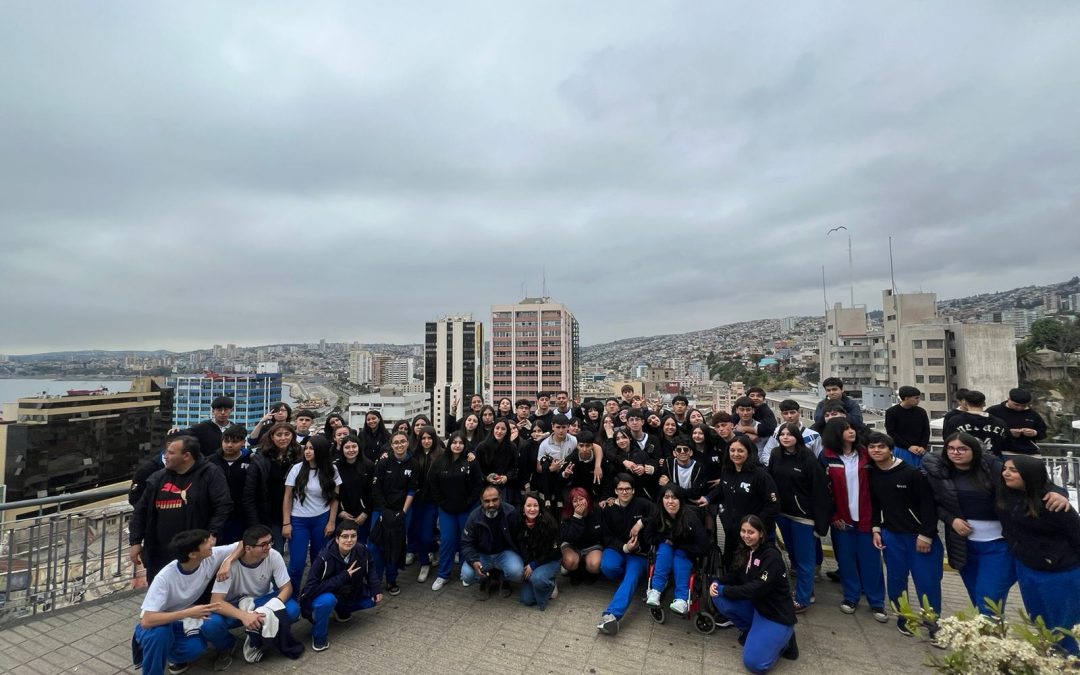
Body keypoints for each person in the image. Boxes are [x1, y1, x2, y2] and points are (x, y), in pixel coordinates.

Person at [923, 432, 1072, 617]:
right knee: (978, 600)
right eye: (951, 449)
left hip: (1000, 546)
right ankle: (991, 641)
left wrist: (1059, 493)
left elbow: (1034, 481)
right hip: (963, 546)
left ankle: (989, 638)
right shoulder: (938, 472)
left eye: (962, 449)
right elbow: (931, 504)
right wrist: (951, 519)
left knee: (988, 601)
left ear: (974, 450)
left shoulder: (993, 467)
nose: (956, 453)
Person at [998, 455, 1080, 655]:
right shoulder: (1008, 494)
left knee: (1062, 625)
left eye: (1013, 470)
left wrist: (1060, 494)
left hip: (1058, 572)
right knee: (1038, 617)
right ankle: (1050, 656)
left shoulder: (1054, 504)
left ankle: (1069, 661)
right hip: (1027, 567)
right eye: (1005, 468)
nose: (1006, 473)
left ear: (1029, 475)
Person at [131, 530, 241, 675]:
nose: (211, 543)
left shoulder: (210, 556)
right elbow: (147, 620)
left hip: (186, 615)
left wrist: (227, 561)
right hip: (159, 620)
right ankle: (153, 658)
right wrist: (188, 612)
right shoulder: (165, 578)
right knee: (159, 634)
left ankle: (173, 652)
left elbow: (242, 543)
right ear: (192, 554)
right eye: (206, 542)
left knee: (197, 645)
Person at [865, 432, 941, 634]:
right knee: (896, 580)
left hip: (918, 536)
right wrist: (875, 529)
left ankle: (932, 621)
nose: (876, 450)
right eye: (872, 447)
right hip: (891, 534)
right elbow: (874, 504)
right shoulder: (872, 473)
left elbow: (928, 506)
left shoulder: (912, 473)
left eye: (881, 447)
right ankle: (904, 617)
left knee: (927, 581)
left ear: (891, 449)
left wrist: (926, 534)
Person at [129, 435, 232, 582]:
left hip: (195, 553)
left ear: (186, 456)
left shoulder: (210, 474)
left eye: (171, 453)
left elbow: (223, 506)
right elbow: (141, 510)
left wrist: (212, 534)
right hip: (160, 554)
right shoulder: (158, 478)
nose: (165, 456)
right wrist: (135, 541)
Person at [202, 525, 304, 666]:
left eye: (270, 542)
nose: (268, 547)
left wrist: (269, 608)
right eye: (263, 545)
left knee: (292, 609)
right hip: (234, 606)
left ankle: (264, 638)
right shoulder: (229, 564)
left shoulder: (273, 555)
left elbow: (287, 588)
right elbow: (216, 601)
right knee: (209, 624)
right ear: (248, 548)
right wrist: (243, 615)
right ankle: (227, 645)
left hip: (261, 601)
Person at [710, 515, 799, 674]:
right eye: (743, 531)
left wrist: (725, 589)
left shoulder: (771, 557)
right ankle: (751, 630)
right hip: (757, 606)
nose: (746, 535)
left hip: (775, 614)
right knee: (718, 595)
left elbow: (756, 588)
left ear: (762, 534)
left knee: (754, 664)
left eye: (751, 532)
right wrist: (717, 582)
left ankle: (785, 641)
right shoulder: (746, 549)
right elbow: (735, 575)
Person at [819, 418, 886, 619]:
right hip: (842, 518)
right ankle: (851, 596)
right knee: (846, 560)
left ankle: (877, 601)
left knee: (871, 560)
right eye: (845, 429)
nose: (851, 432)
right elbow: (823, 490)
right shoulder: (827, 456)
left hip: (866, 516)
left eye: (851, 428)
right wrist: (833, 516)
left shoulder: (866, 455)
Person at [767, 423, 831, 613]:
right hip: (782, 513)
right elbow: (770, 479)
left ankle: (803, 597)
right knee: (792, 552)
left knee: (805, 558)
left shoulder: (807, 457)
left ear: (797, 437)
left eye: (789, 434)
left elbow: (818, 489)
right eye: (782, 434)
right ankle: (805, 589)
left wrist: (819, 522)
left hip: (803, 516)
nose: (785, 437)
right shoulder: (776, 454)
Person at [299, 520, 383, 652]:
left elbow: (370, 567)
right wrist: (343, 576)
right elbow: (310, 589)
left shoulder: (361, 549)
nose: (349, 540)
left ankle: (341, 611)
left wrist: (376, 588)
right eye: (345, 536)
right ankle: (319, 636)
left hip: (345, 593)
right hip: (321, 596)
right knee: (328, 601)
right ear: (337, 539)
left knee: (371, 600)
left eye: (353, 536)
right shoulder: (324, 558)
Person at [704, 435, 779, 572]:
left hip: (751, 536)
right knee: (730, 565)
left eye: (740, 451)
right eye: (732, 450)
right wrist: (707, 498)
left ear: (748, 452)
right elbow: (721, 488)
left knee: (749, 569)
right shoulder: (727, 470)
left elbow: (772, 505)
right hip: (731, 532)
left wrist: (757, 526)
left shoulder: (760, 475)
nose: (735, 454)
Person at [596, 473, 657, 635]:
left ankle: (611, 616)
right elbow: (606, 537)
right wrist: (624, 547)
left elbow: (658, 512)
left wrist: (641, 522)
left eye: (628, 489)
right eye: (621, 489)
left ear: (633, 490)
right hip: (617, 549)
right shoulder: (608, 509)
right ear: (615, 491)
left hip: (638, 554)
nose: (624, 492)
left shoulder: (642, 504)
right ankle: (627, 584)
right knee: (607, 566)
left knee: (632, 575)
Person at [283, 435, 341, 593]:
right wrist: (286, 523)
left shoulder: (331, 470)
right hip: (298, 521)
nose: (307, 451)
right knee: (297, 563)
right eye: (306, 448)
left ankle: (314, 593)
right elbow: (287, 496)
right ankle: (292, 596)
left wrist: (331, 521)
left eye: (311, 448)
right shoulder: (297, 468)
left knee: (319, 560)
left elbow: (335, 498)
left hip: (321, 519)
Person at [428, 431, 484, 590]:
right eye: (454, 442)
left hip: (467, 508)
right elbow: (433, 483)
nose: (457, 445)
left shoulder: (471, 461)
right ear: (449, 444)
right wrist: (442, 502)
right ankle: (443, 574)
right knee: (447, 540)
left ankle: (466, 573)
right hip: (446, 509)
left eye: (460, 443)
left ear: (465, 445)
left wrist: (469, 501)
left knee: (466, 540)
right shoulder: (440, 461)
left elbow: (478, 483)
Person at [645, 485, 710, 615]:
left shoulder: (690, 517)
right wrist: (665, 539)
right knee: (664, 549)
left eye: (674, 498)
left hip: (686, 550)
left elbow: (704, 547)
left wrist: (679, 545)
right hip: (666, 548)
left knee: (680, 557)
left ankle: (681, 599)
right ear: (662, 499)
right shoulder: (658, 514)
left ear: (680, 500)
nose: (670, 501)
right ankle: (656, 590)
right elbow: (648, 536)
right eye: (667, 497)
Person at [368, 431, 418, 596]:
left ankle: (391, 579)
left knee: (395, 546)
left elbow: (411, 490)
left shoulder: (413, 463)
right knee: (375, 546)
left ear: (408, 443)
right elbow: (376, 488)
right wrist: (384, 511)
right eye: (396, 442)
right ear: (391, 445)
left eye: (402, 441)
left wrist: (403, 512)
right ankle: (375, 581)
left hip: (401, 511)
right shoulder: (383, 462)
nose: (399, 445)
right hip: (381, 510)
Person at [460, 485, 525, 597]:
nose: (491, 504)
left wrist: (526, 560)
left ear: (501, 498)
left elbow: (519, 538)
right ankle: (484, 580)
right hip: (482, 555)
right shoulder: (474, 517)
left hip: (504, 553)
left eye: (495, 500)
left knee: (517, 572)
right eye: (487, 501)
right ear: (481, 501)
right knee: (466, 575)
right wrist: (473, 560)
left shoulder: (511, 513)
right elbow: (466, 543)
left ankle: (504, 579)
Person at [244, 422, 299, 553]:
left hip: (297, 512)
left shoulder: (299, 457)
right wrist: (255, 522)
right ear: (272, 437)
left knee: (297, 555)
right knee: (274, 552)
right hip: (270, 514)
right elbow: (249, 494)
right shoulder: (260, 459)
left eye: (287, 434)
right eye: (279, 435)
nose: (283, 438)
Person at [512, 493, 562, 610]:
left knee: (537, 579)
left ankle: (550, 583)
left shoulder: (549, 523)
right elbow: (520, 547)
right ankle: (543, 581)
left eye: (536, 505)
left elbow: (553, 552)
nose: (532, 509)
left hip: (550, 559)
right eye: (528, 505)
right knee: (527, 600)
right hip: (531, 562)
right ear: (523, 508)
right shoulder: (518, 523)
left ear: (540, 508)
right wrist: (527, 564)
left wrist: (533, 565)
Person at [407, 425, 444, 581]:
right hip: (415, 500)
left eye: (429, 438)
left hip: (433, 501)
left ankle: (434, 548)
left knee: (427, 536)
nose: (426, 441)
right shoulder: (414, 454)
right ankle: (424, 563)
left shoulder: (441, 455)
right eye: (423, 438)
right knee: (415, 533)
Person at [207, 424, 253, 545]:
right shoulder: (210, 461)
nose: (229, 445)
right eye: (226, 441)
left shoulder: (251, 460)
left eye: (234, 442)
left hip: (241, 516)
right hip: (215, 516)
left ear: (243, 442)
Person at [941, 390, 1008, 457]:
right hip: (992, 461)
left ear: (966, 403)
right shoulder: (999, 422)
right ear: (984, 403)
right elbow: (1006, 443)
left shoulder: (955, 421)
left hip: (964, 462)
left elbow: (947, 440)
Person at [985, 388, 1048, 457]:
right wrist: (1007, 432)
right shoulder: (994, 411)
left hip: (1028, 453)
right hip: (1000, 452)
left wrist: (1034, 433)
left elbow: (1043, 433)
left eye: (1023, 406)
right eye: (1016, 405)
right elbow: (984, 430)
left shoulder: (1033, 414)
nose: (1019, 408)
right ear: (1008, 399)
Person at [335, 434, 374, 543]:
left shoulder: (369, 466)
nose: (351, 450)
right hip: (343, 515)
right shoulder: (336, 467)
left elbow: (373, 491)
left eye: (354, 446)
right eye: (347, 447)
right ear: (342, 449)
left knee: (361, 545)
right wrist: (340, 512)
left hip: (363, 516)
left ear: (359, 447)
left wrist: (366, 513)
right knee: (343, 544)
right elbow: (332, 492)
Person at [559, 487, 604, 583]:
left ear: (587, 499)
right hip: (572, 546)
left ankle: (589, 572)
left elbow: (600, 534)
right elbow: (569, 538)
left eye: (581, 499)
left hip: (592, 545)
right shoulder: (566, 514)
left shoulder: (597, 511)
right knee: (569, 562)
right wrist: (577, 518)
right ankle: (574, 571)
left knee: (595, 564)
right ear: (571, 503)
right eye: (575, 501)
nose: (579, 503)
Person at [535, 414, 578, 506]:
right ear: (552, 427)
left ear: (568, 427)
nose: (561, 430)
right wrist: (551, 468)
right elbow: (538, 468)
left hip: (568, 479)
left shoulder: (574, 440)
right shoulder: (544, 444)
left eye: (564, 427)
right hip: (551, 480)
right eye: (558, 427)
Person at [761, 399, 822, 464]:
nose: (789, 416)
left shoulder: (813, 436)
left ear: (799, 412)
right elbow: (766, 455)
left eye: (792, 412)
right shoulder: (776, 433)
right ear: (781, 414)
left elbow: (819, 458)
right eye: (785, 413)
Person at [884, 386, 930, 468]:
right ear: (906, 398)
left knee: (921, 475)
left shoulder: (921, 412)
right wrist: (908, 447)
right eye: (916, 398)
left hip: (919, 450)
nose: (918, 400)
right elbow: (891, 432)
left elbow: (926, 430)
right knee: (903, 473)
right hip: (901, 449)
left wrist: (923, 446)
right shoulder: (891, 412)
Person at [658, 437, 709, 504]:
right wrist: (686, 492)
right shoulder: (668, 463)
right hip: (672, 502)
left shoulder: (699, 468)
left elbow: (695, 494)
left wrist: (669, 483)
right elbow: (665, 489)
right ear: (674, 453)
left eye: (685, 449)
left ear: (691, 452)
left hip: (692, 504)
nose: (682, 452)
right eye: (679, 450)